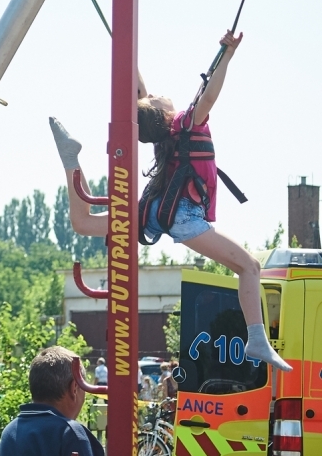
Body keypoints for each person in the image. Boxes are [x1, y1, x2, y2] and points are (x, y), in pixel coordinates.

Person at [49, 30, 290, 372]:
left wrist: (126, 52)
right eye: (156, 99)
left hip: (157, 210)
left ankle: (70, 160)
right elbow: (208, 95)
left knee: (83, 222)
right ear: (162, 114)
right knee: (249, 266)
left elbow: (142, 95)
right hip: (182, 215)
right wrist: (228, 54)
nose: (157, 94)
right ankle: (256, 337)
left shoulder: (166, 133)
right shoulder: (185, 123)